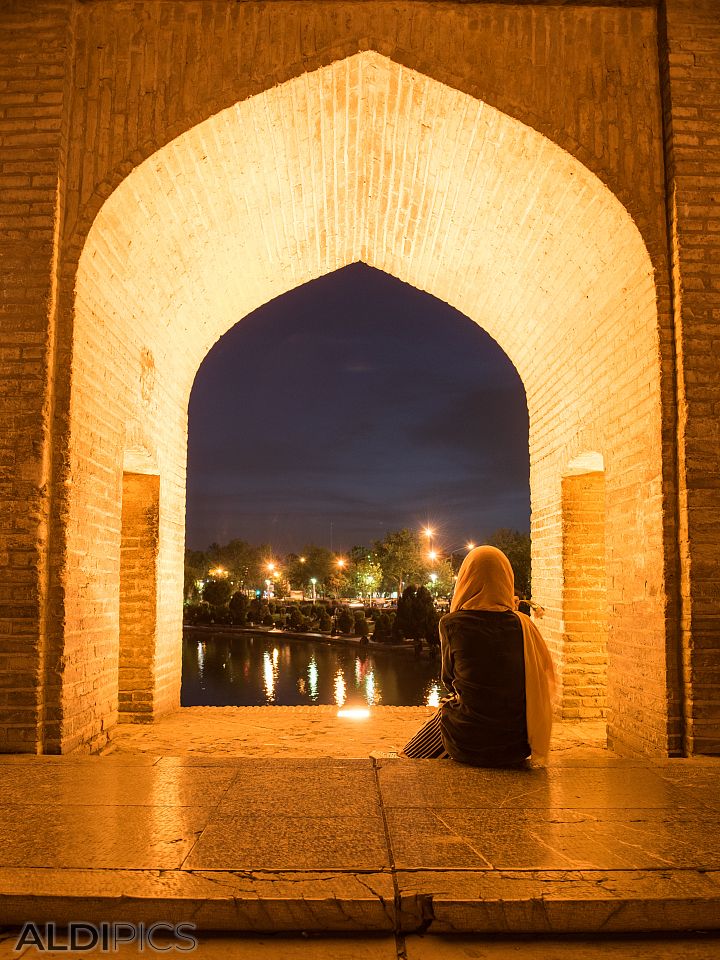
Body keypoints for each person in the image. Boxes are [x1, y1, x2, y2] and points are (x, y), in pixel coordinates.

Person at [401, 545, 555, 766]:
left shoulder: (452, 624)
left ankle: (407, 759)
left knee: (447, 708)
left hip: (469, 744)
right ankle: (409, 756)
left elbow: (449, 681)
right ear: (506, 578)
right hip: (518, 745)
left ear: (466, 579)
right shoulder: (523, 625)